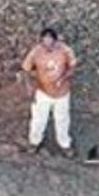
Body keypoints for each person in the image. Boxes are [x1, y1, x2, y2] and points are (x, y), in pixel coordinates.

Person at [21, 26, 78, 156]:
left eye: (50, 42)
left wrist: (64, 78)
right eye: (44, 42)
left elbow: (73, 67)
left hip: (62, 93)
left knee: (62, 119)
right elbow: (25, 70)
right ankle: (34, 143)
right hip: (43, 92)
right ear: (41, 41)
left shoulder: (65, 50)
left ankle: (65, 145)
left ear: (56, 41)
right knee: (38, 120)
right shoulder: (36, 52)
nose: (47, 46)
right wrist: (29, 88)